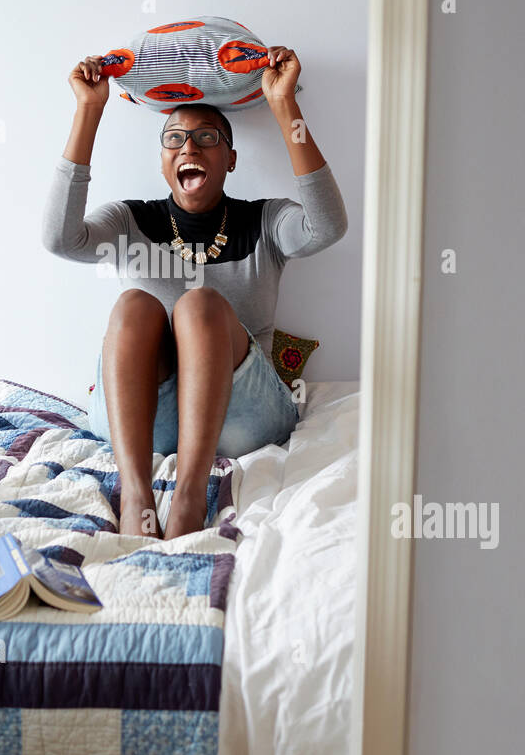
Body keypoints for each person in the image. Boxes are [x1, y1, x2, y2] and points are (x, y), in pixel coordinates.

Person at [42, 44, 347, 539]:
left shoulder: (265, 221)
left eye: (207, 138)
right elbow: (60, 238)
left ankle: (188, 496)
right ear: (164, 160)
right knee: (134, 304)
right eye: (175, 138)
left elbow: (327, 226)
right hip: (145, 421)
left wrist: (284, 105)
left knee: (199, 303)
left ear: (230, 158)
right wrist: (88, 109)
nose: (189, 147)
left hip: (243, 415)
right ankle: (136, 494)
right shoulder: (130, 220)